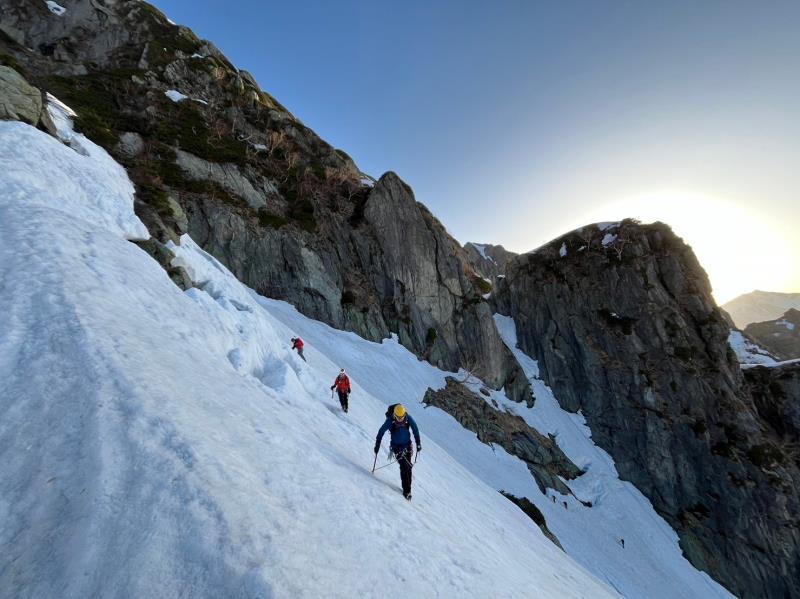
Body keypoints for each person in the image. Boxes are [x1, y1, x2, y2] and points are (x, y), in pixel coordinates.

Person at [374, 404, 421, 500]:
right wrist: (377, 444)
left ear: (404, 415)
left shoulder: (408, 418)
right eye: (398, 417)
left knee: (408, 467)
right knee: (404, 466)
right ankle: (407, 491)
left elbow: (415, 429)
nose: (400, 419)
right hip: (396, 448)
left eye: (401, 417)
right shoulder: (390, 420)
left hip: (407, 446)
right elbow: (381, 431)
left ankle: (408, 490)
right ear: (394, 415)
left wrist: (418, 443)